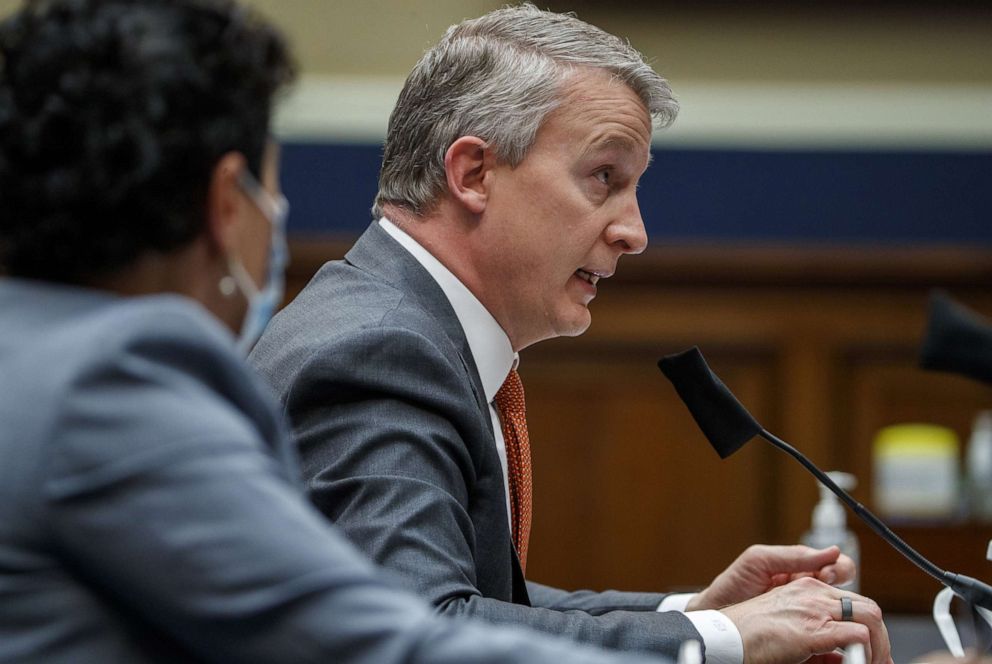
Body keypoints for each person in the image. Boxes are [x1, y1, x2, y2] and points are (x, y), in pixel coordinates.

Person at [0, 1, 680, 663]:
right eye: (272, 179)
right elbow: (385, 637)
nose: (636, 233)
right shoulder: (114, 384)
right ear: (226, 200)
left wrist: (696, 620)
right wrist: (703, 651)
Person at [249, 5, 893, 664]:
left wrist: (696, 614)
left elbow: (476, 597)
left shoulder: (400, 321)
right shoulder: (380, 351)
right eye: (604, 178)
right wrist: (722, 641)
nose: (634, 233)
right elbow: (425, 629)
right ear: (472, 173)